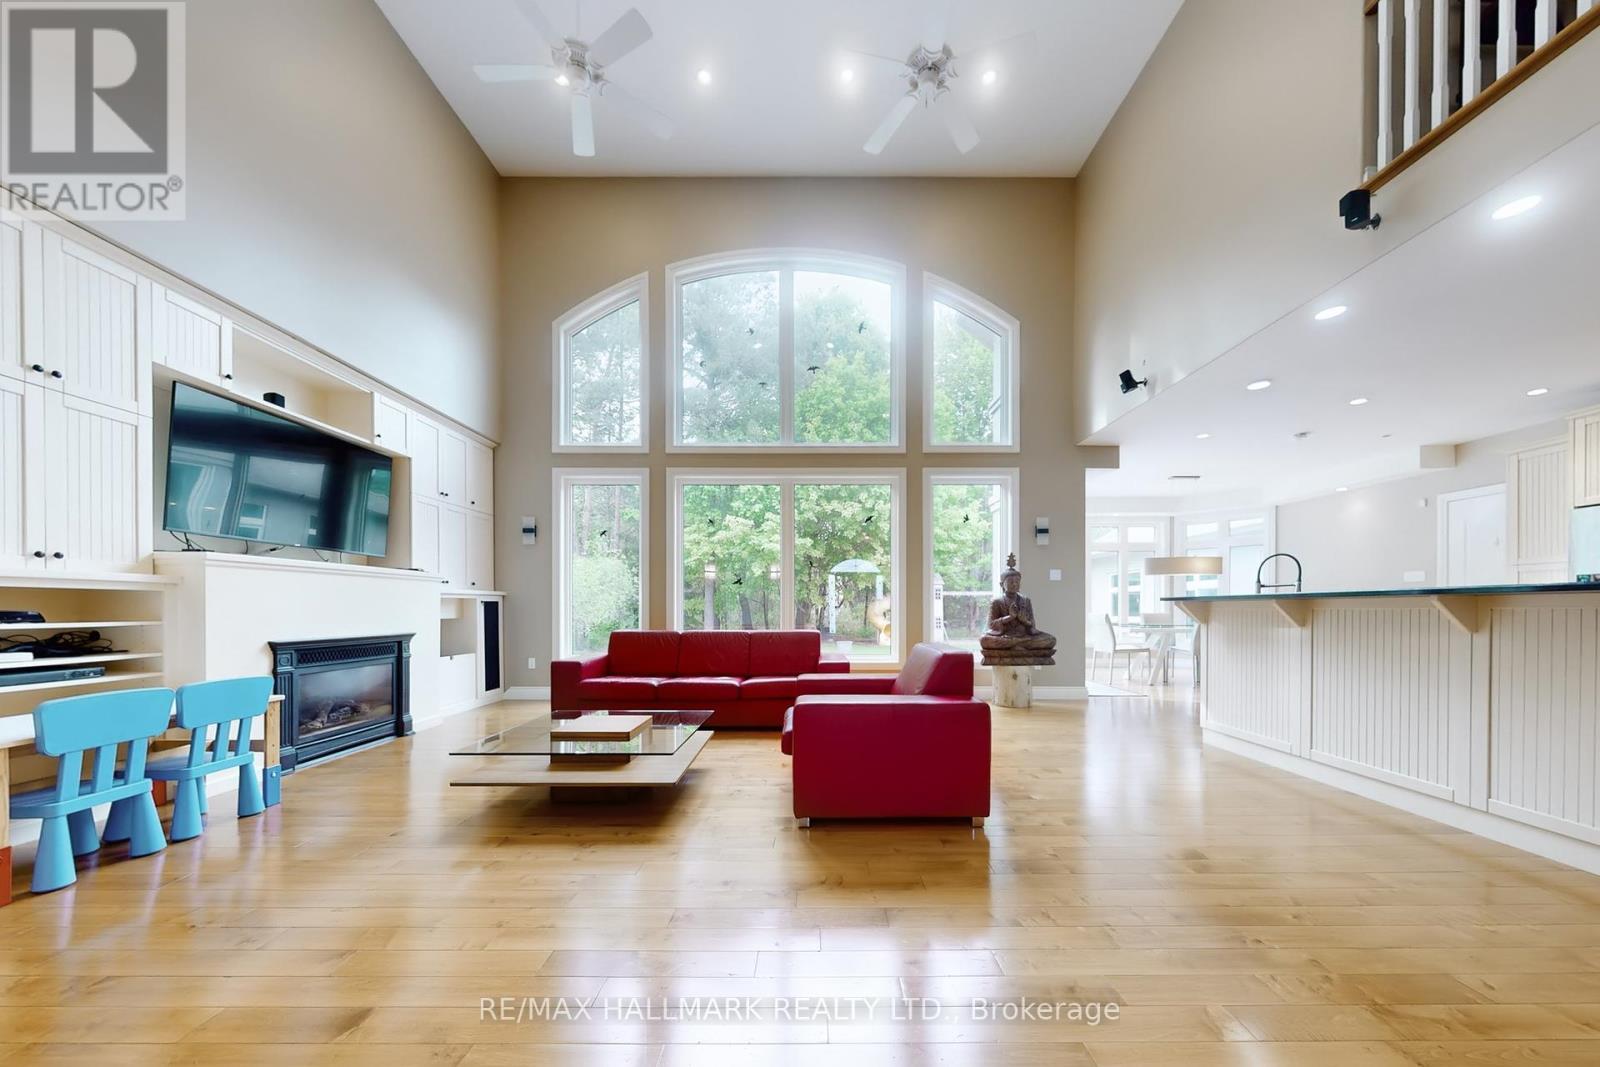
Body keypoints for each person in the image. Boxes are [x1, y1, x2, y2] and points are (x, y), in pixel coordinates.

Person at [980, 553, 1056, 661]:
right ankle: (1018, 645)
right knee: (984, 640)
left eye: (1017, 582)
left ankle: (1015, 645)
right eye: (1011, 582)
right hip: (1004, 637)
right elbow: (991, 625)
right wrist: (1009, 618)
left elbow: (1032, 626)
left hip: (1024, 636)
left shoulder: (1026, 600)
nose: (1014, 584)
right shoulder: (997, 601)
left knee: (1051, 640)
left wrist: (1024, 621)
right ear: (1002, 585)